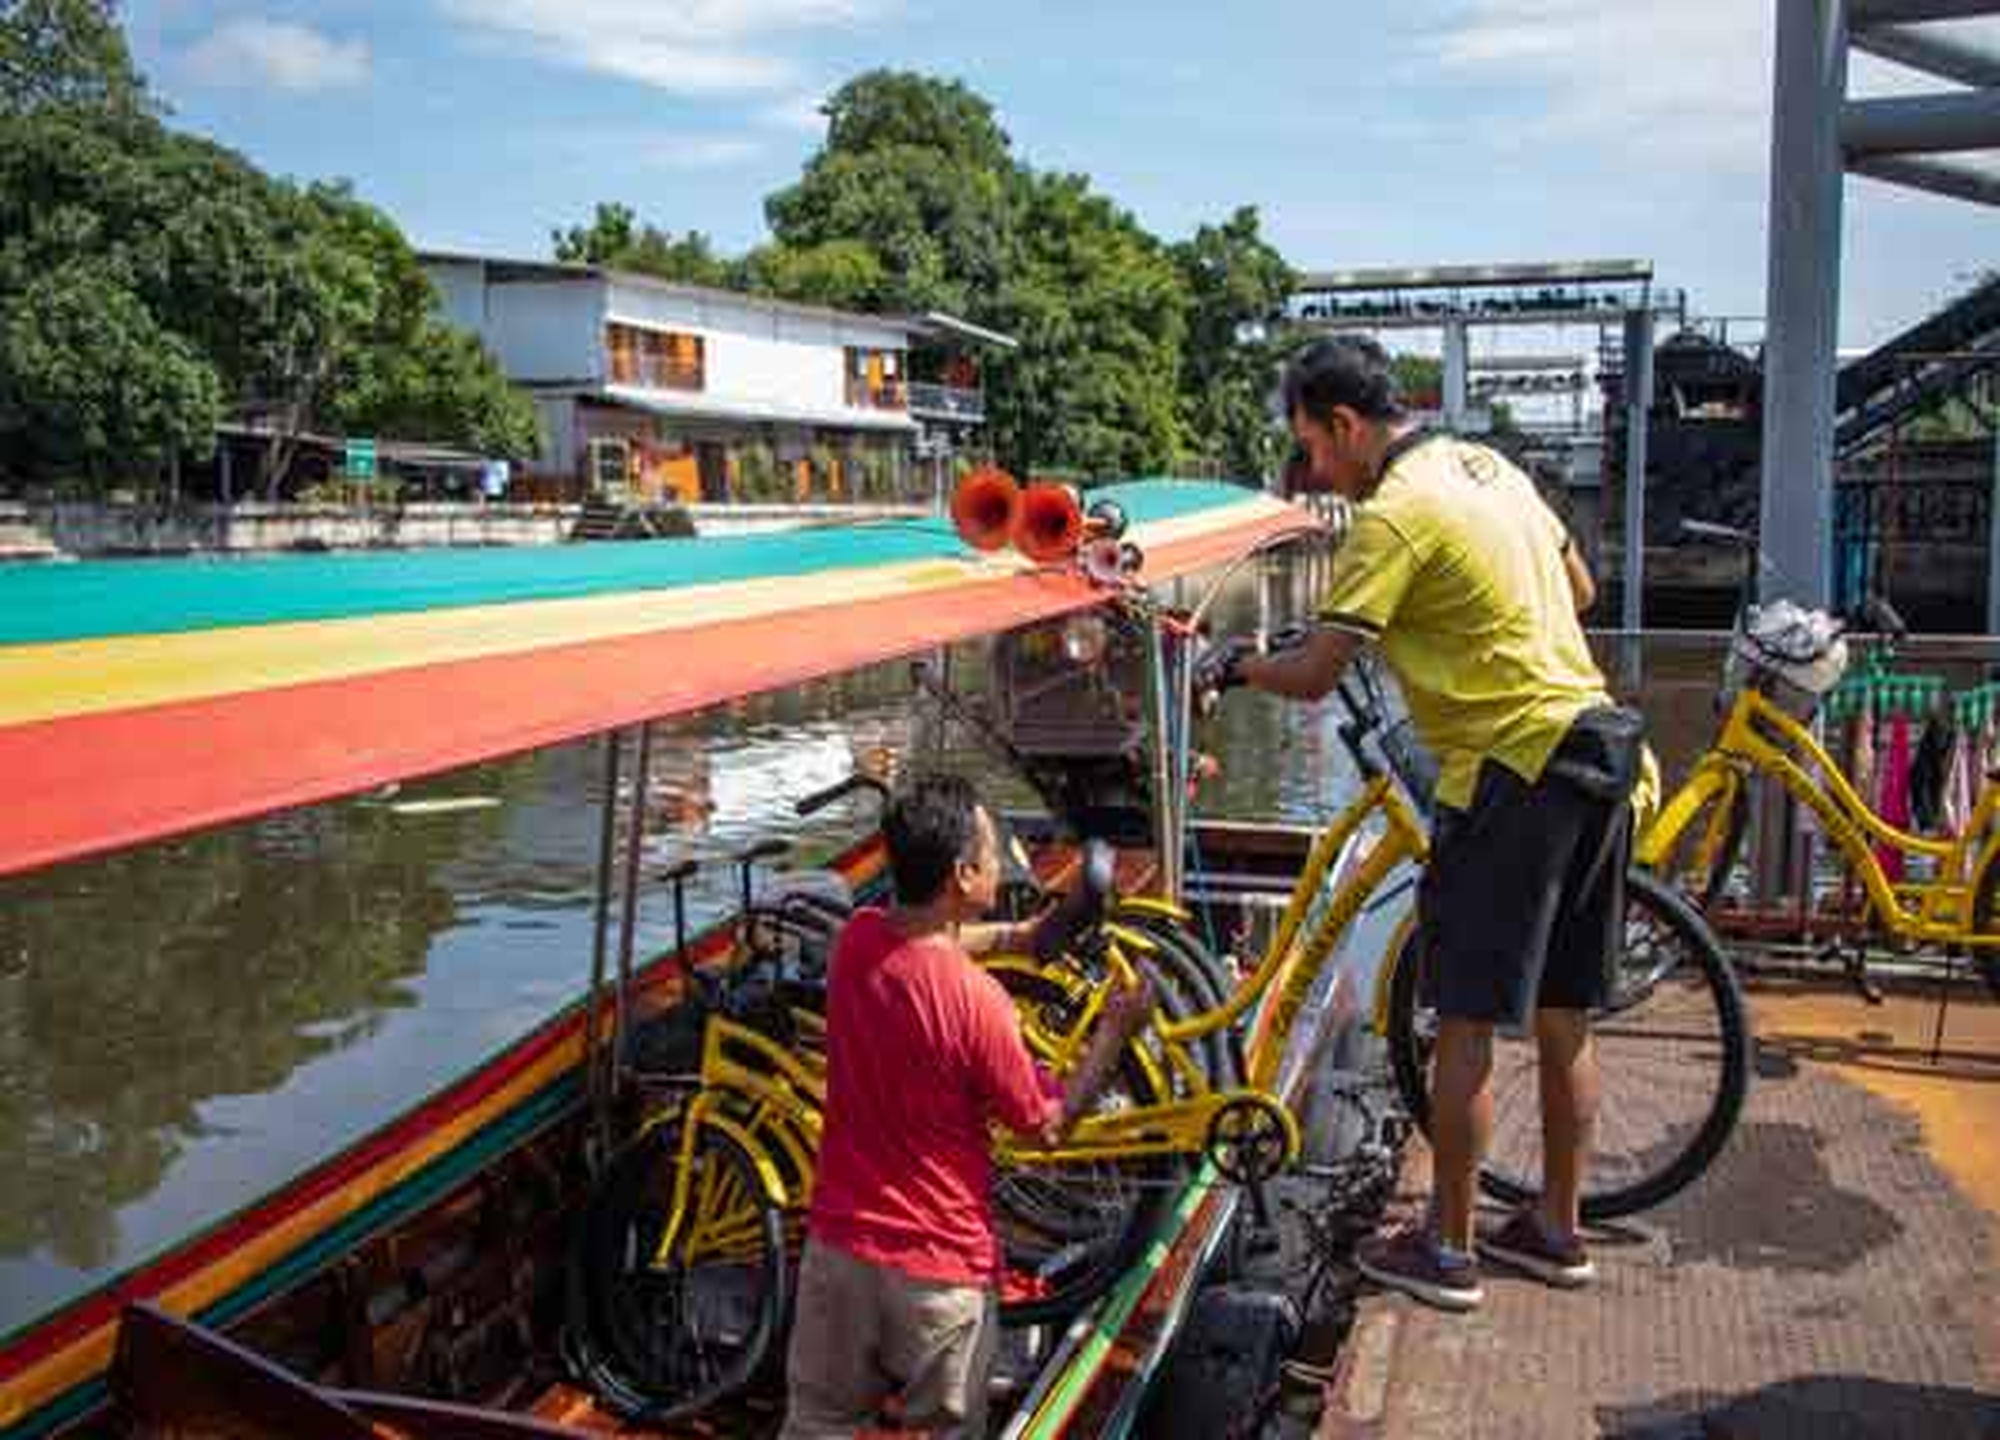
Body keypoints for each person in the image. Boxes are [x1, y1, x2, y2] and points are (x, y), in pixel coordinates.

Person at [1200, 335, 1643, 1312]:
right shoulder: (1489, 468)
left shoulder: (1394, 513)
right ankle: (1556, 1230)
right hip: (1596, 746)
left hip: (1510, 770)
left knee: (1465, 1021)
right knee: (1565, 1015)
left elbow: (1313, 674)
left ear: (1344, 424)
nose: (1315, 471)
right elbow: (1577, 590)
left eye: (1311, 448)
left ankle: (1447, 1251)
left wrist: (1234, 667)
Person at [781, 774, 1149, 1437]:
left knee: (816, 1426)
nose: (1002, 861)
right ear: (962, 875)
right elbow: (1048, 1128)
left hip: (838, 1254)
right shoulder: (980, 1004)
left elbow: (930, 941)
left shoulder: (856, 942)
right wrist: (1113, 1036)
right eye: (991, 851)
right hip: (939, 1277)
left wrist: (1019, 937)